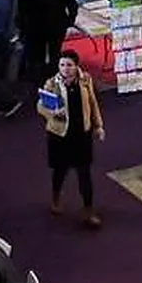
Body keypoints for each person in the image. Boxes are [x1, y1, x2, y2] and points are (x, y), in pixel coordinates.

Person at [37, 51, 105, 228]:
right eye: (62, 65)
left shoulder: (86, 80)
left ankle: (88, 210)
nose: (65, 69)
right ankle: (56, 197)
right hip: (60, 135)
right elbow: (40, 106)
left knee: (85, 173)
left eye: (69, 65)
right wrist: (52, 112)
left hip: (82, 134)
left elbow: (93, 103)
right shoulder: (52, 83)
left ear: (76, 66)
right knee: (60, 170)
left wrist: (98, 126)